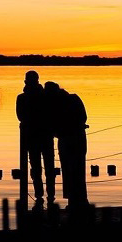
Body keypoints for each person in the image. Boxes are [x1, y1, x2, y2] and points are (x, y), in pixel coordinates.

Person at [44, 81, 89, 210]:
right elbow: (83, 117)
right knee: (78, 169)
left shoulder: (55, 105)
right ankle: (79, 200)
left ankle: (74, 201)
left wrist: (59, 130)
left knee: (70, 170)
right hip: (78, 138)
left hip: (67, 139)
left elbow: (53, 123)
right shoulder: (73, 99)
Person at [16, 70, 55, 205]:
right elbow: (51, 115)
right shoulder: (46, 96)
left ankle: (39, 194)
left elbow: (20, 117)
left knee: (36, 167)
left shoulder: (21, 98)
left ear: (26, 81)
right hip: (45, 135)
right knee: (49, 166)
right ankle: (50, 195)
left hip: (32, 136)